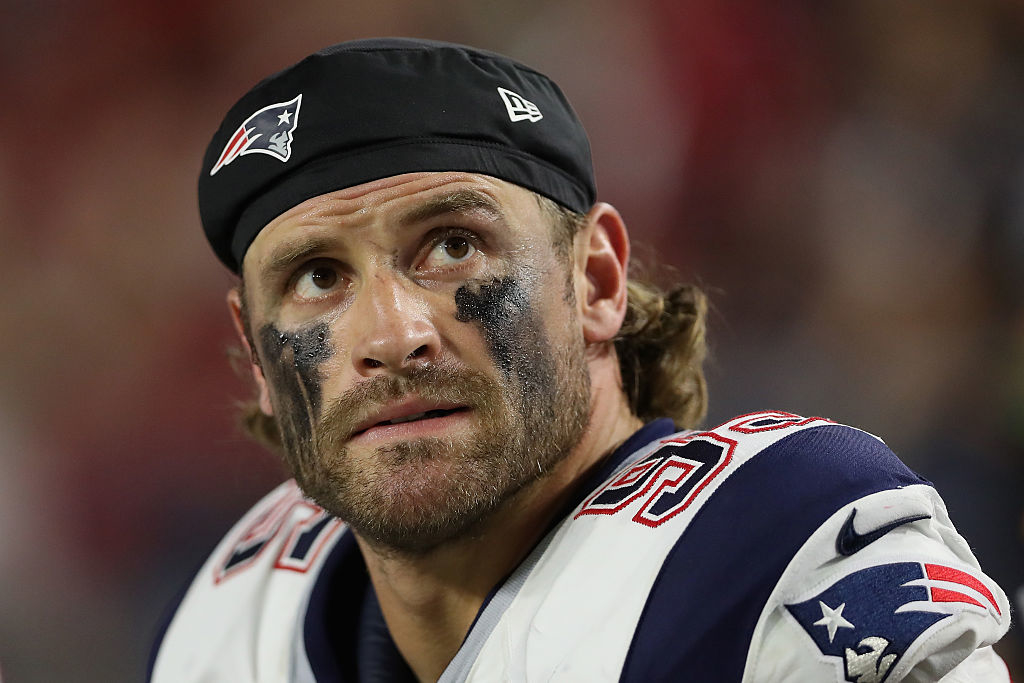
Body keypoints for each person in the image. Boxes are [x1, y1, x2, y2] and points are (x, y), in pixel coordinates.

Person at [149, 38, 1011, 682]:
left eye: (453, 245)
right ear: (254, 353)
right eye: (317, 276)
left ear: (595, 280)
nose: (391, 335)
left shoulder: (769, 548)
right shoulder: (236, 618)